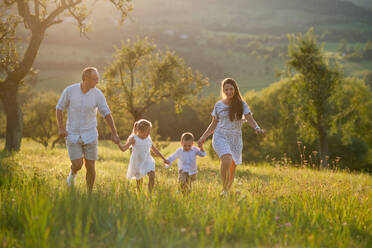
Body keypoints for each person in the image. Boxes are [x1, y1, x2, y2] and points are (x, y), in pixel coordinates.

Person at [56, 67, 120, 192]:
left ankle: (89, 194)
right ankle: (73, 174)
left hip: (90, 134)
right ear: (85, 78)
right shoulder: (70, 91)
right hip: (72, 134)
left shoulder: (98, 94)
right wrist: (61, 128)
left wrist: (114, 133)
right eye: (94, 79)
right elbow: (59, 108)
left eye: (98, 79)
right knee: (78, 164)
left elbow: (106, 113)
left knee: (90, 166)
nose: (97, 81)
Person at [197, 78, 264, 196]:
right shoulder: (218, 105)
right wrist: (203, 137)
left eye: (231, 89)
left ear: (235, 89)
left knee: (232, 167)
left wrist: (257, 128)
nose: (229, 91)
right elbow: (213, 124)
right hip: (220, 135)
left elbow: (249, 118)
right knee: (226, 159)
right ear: (223, 90)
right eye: (226, 89)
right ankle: (223, 189)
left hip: (235, 138)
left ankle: (227, 191)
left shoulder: (241, 104)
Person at [118, 119, 167, 194]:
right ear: (140, 131)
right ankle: (139, 197)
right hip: (137, 162)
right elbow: (124, 149)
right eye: (147, 131)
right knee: (139, 184)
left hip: (148, 160)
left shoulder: (148, 138)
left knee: (152, 177)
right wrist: (118, 143)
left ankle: (150, 194)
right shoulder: (134, 138)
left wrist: (163, 158)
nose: (149, 133)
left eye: (149, 131)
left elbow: (155, 150)